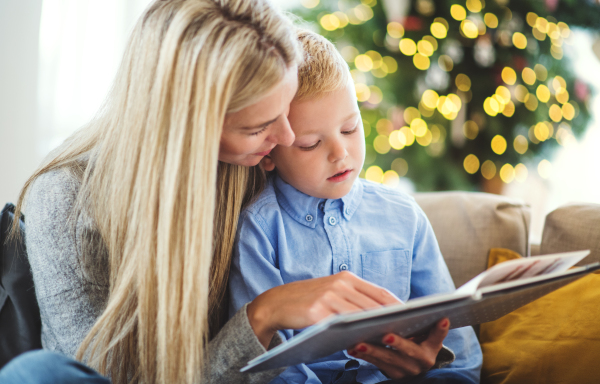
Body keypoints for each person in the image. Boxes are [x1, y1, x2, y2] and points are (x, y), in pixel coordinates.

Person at [0, 1, 452, 383]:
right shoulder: (64, 199)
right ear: (186, 129)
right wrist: (263, 314)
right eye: (258, 126)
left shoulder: (256, 167)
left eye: (286, 109)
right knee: (37, 374)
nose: (289, 137)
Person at [229, 30, 483, 383]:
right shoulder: (258, 228)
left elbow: (461, 355)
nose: (340, 153)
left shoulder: (404, 217)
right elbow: (267, 365)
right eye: (310, 144)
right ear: (269, 152)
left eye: (350, 129)